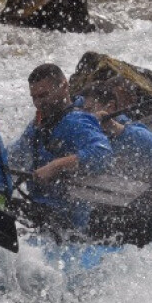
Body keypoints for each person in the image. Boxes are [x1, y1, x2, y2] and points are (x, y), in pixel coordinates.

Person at [7, 63, 113, 236]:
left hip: (67, 221)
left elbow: (103, 154)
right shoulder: (37, 126)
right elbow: (14, 155)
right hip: (39, 209)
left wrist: (56, 166)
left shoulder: (77, 122)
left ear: (64, 86)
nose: (39, 103)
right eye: (34, 97)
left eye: (44, 95)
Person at [80, 77, 152, 245]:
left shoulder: (134, 129)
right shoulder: (89, 134)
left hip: (147, 218)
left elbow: (151, 147)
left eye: (89, 110)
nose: (84, 116)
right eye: (82, 111)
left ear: (110, 107)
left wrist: (112, 125)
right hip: (108, 212)